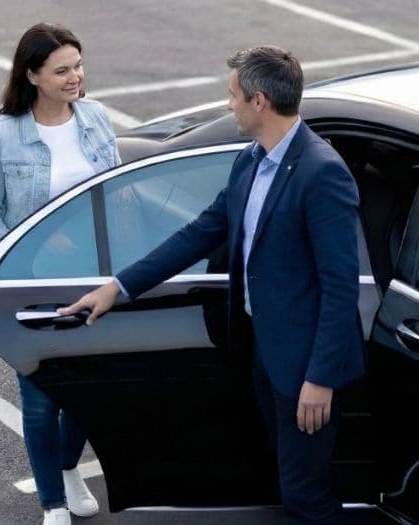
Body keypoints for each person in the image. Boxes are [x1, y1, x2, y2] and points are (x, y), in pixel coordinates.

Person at [60, 46, 364, 523]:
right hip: (263, 350)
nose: (228, 105)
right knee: (283, 481)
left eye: (233, 96)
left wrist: (319, 379)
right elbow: (199, 232)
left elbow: (340, 285)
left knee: (307, 496)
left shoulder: (321, 173)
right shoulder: (251, 161)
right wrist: (118, 287)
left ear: (259, 101)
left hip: (303, 367)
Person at [0, 22, 120, 525]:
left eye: (77, 66)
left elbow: (115, 190)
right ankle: (52, 503)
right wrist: (24, 249)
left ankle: (67, 467)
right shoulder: (2, 135)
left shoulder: (96, 118)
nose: (75, 77)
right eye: (62, 70)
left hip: (94, 275)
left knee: (89, 389)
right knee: (39, 397)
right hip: (33, 281)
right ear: (32, 75)